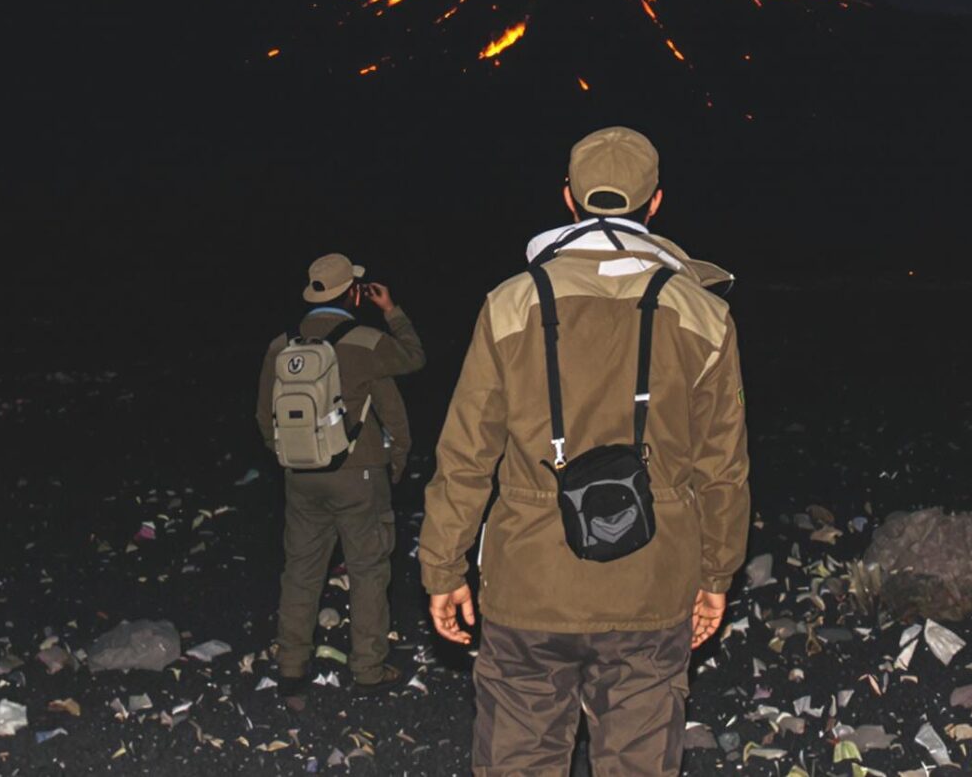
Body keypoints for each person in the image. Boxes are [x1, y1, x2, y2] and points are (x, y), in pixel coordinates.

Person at [421, 126, 750, 777]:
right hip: (651, 580)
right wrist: (716, 575)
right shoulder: (703, 314)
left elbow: (464, 455)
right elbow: (723, 468)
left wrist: (443, 567)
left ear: (568, 197)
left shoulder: (510, 304)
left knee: (518, 759)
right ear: (656, 202)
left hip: (529, 582)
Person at [257, 252, 426, 690]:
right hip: (359, 474)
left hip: (300, 475)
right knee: (368, 571)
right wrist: (392, 310)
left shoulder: (281, 345)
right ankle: (368, 670)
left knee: (301, 571)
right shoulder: (366, 342)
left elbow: (264, 417)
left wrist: (292, 458)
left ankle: (291, 666)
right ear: (354, 293)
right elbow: (413, 361)